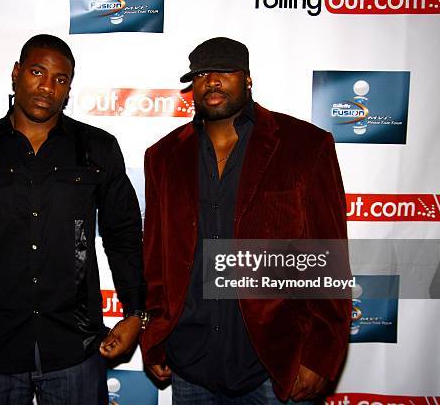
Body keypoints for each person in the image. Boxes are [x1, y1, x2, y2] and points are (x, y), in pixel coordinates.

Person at [0, 34, 147, 405]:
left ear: (69, 88)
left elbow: (123, 235)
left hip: (75, 349)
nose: (47, 86)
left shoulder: (98, 148)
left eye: (60, 79)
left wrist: (136, 312)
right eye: (37, 72)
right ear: (16, 74)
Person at [140, 37, 351, 404]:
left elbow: (329, 256)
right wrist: (155, 336)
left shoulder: (305, 145)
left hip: (274, 365)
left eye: (225, 71)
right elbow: (157, 260)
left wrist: (320, 354)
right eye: (202, 74)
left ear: (248, 79)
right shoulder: (163, 156)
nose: (212, 81)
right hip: (192, 364)